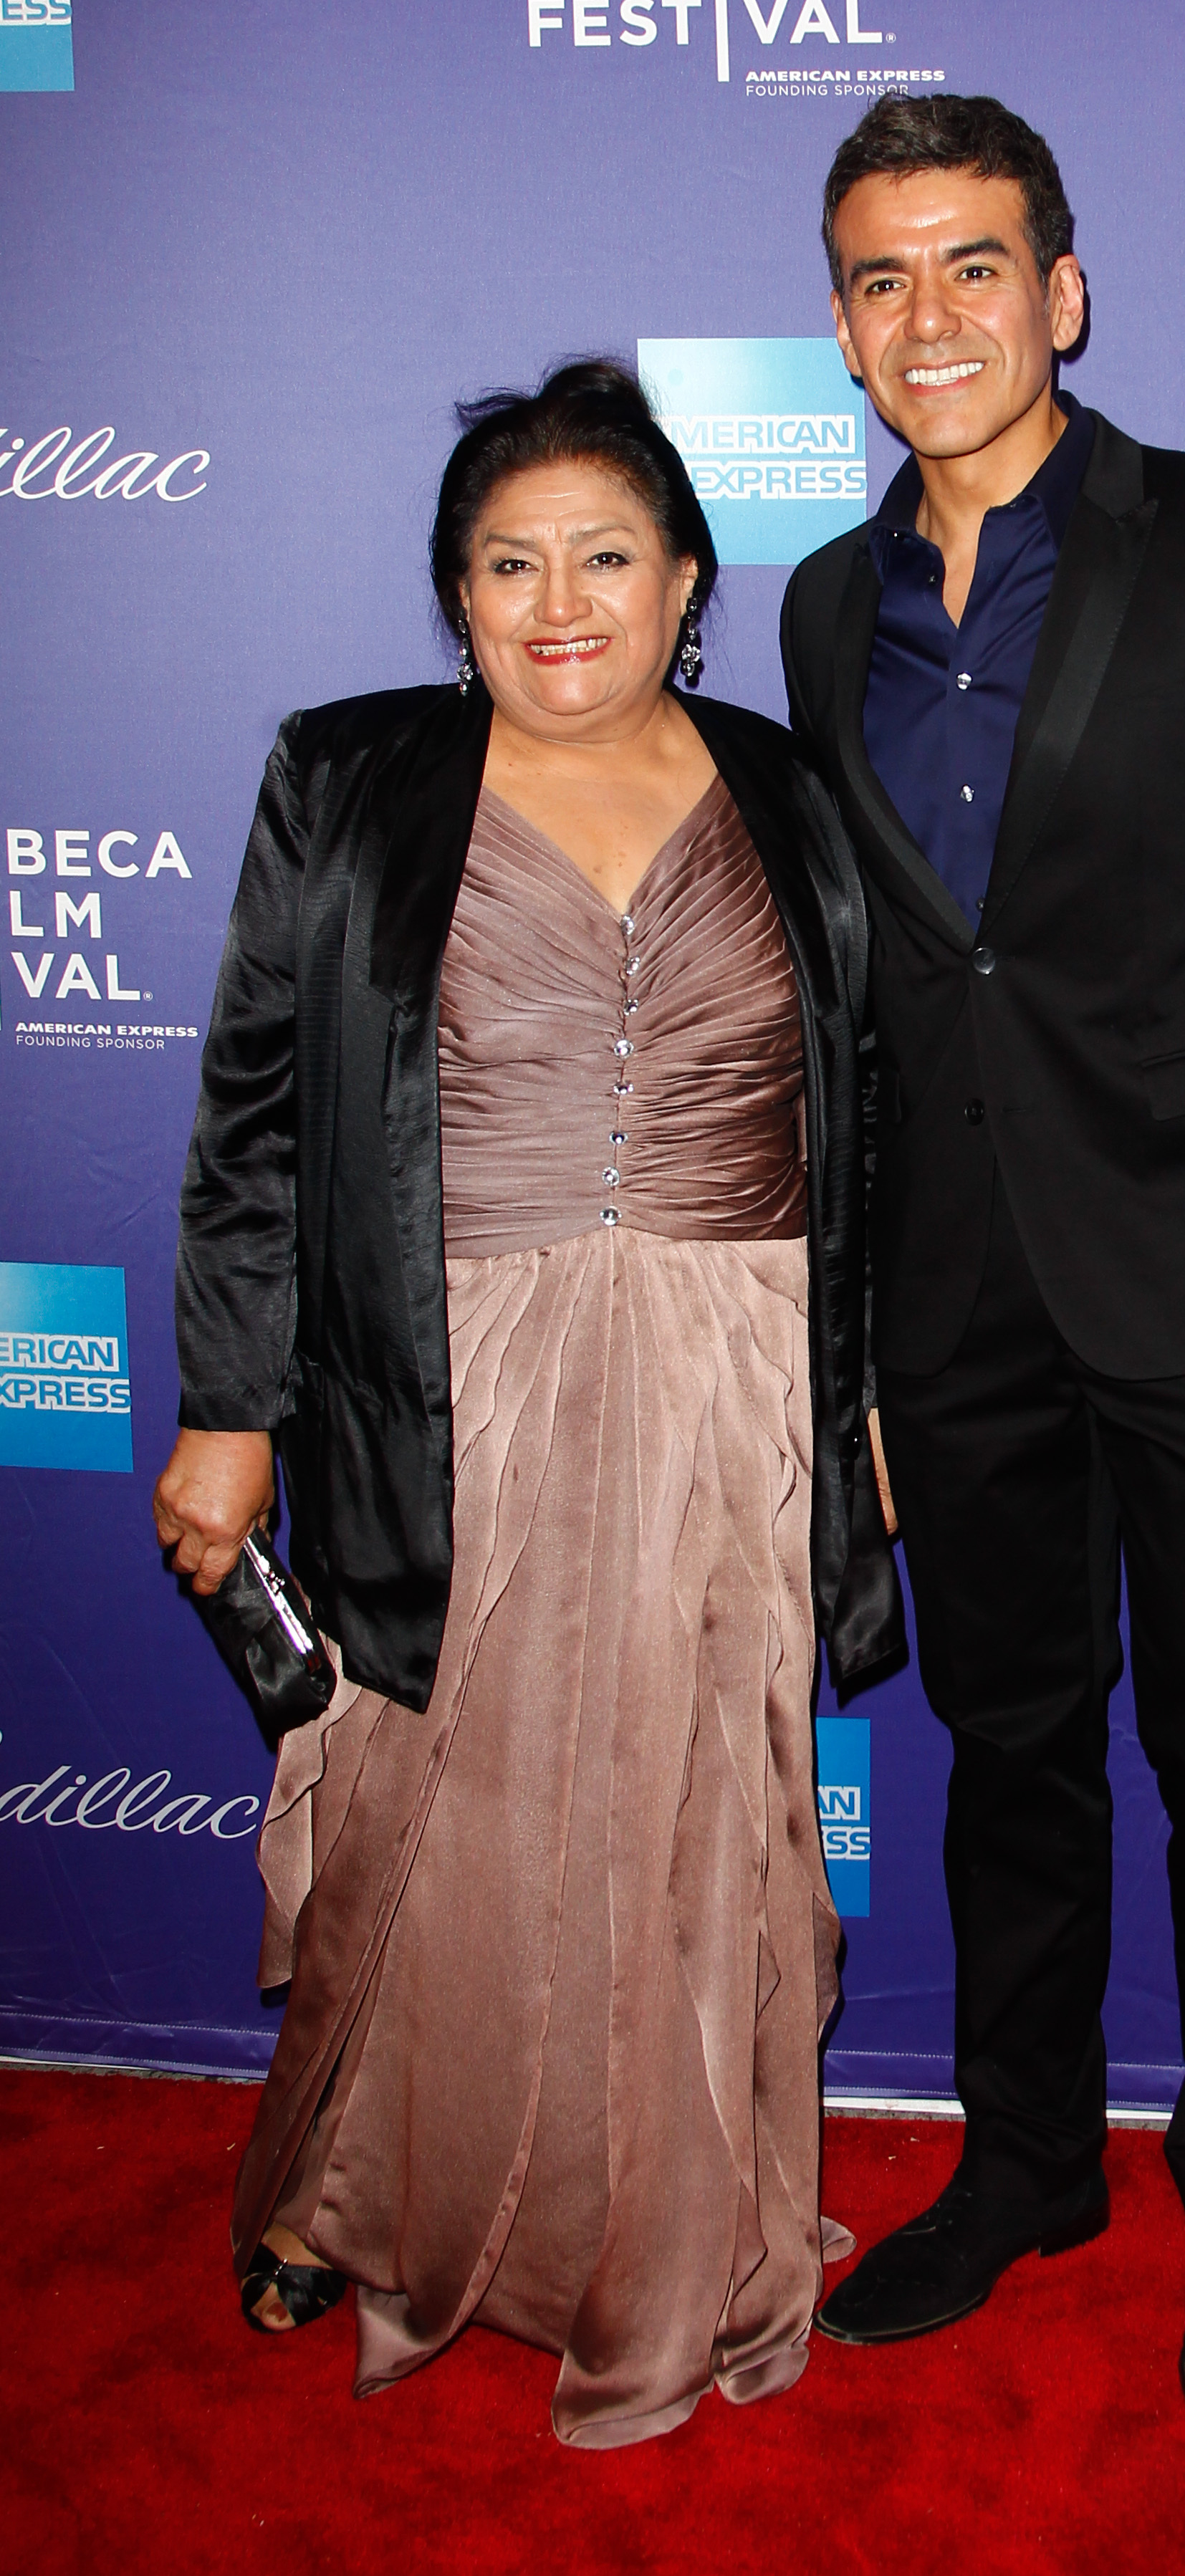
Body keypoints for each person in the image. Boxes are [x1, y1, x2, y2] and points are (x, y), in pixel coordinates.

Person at [153, 358, 901, 2449]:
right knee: (420, 1822)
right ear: (455, 595)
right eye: (507, 563)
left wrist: (865, 1403)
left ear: (685, 580)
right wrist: (231, 1402)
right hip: (444, 1381)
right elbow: (256, 1124)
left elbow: (875, 1123)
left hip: (736, 1369)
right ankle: (342, 2188)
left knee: (689, 1825)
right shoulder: (348, 775)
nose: (557, 601)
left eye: (605, 556)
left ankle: (670, 2231)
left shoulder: (794, 785)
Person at [781, 97, 1185, 2436]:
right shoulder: (825, 603)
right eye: (883, 278)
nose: (931, 316)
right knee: (1008, 1751)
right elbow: (877, 998)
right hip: (960, 1311)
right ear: (841, 327)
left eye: (977, 265)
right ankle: (1030, 2158)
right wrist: (853, 1330)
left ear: (1063, 291)